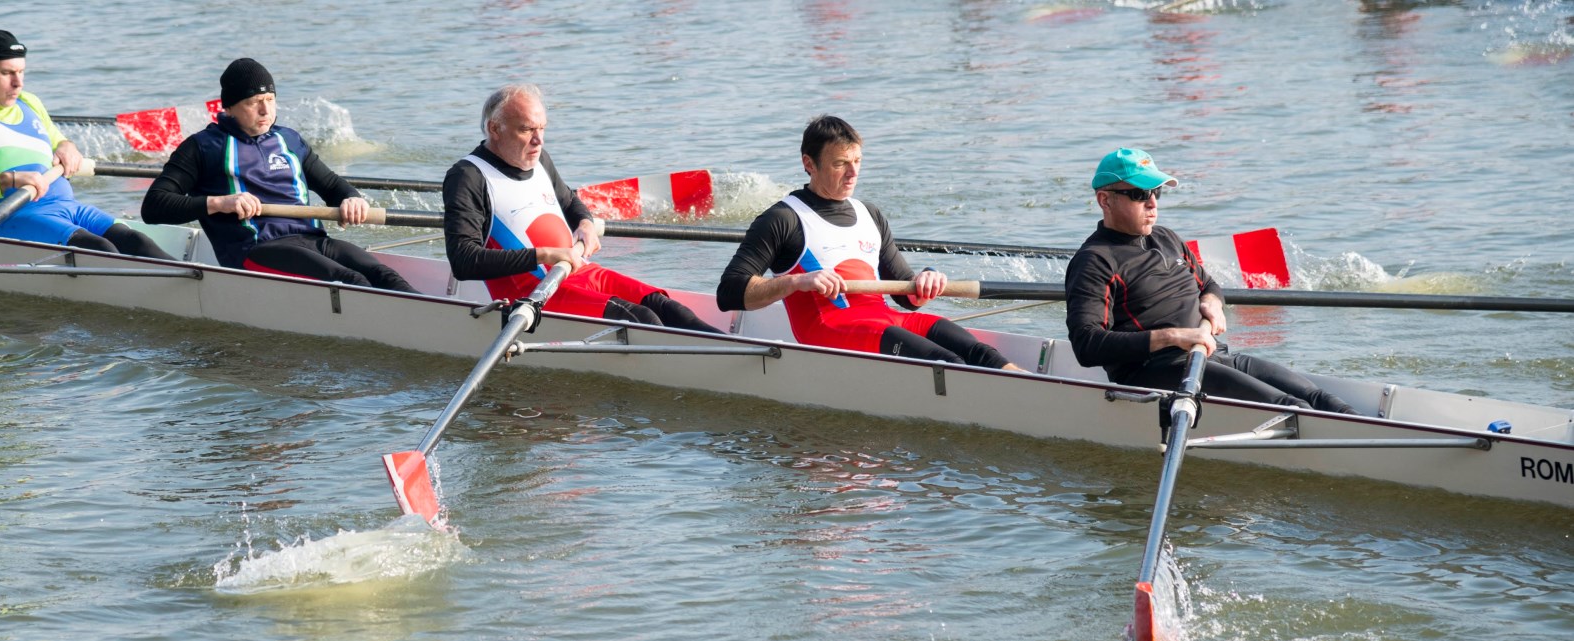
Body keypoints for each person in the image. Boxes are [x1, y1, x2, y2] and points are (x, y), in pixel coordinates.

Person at [1065, 148, 1357, 414]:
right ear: (1105, 200)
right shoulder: (1094, 261)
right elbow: (1088, 345)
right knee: (1291, 407)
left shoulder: (1167, 238)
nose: (1153, 203)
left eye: (1157, 192)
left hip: (1213, 354)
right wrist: (1174, 336)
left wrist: (1213, 303)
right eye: (1140, 194)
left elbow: (1209, 286)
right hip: (1159, 369)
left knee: (1321, 399)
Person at [715, 115, 1020, 370]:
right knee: (948, 362)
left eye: (858, 160)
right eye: (840, 164)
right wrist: (797, 281)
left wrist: (926, 280)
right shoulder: (783, 219)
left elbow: (905, 295)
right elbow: (729, 293)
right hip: (828, 329)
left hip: (885, 318)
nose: (853, 173)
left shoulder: (869, 213)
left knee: (984, 355)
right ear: (809, 163)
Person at [442, 84, 721, 332]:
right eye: (526, 130)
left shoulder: (539, 159)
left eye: (542, 128)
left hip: (580, 271)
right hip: (535, 295)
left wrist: (585, 223)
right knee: (640, 318)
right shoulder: (468, 177)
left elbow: (569, 201)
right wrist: (546, 254)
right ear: (495, 128)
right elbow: (464, 261)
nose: (539, 140)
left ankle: (739, 352)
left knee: (666, 306)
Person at [142, 58, 413, 291]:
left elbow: (332, 185)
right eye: (253, 102)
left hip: (312, 240)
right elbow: (154, 207)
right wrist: (220, 203)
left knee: (385, 275)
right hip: (257, 252)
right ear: (228, 108)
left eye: (270, 100)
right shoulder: (202, 147)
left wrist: (352, 198)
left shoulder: (289, 139)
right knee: (349, 280)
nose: (265, 110)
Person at [0, 30, 171, 259]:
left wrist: (67, 145)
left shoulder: (29, 102)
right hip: (7, 218)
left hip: (67, 208)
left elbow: (58, 141)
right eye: (6, 73)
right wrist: (8, 179)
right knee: (100, 249)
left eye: (21, 72)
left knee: (138, 242)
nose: (18, 83)